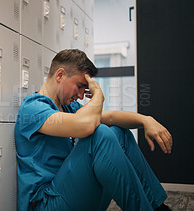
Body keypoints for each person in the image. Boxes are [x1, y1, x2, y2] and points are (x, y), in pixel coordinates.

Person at [14, 49, 173, 211]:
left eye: (86, 88)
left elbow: (110, 117)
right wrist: (98, 95)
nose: (82, 95)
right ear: (60, 75)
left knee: (119, 133)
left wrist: (146, 120)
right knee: (100, 133)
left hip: (69, 191)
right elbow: (87, 126)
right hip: (47, 203)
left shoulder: (68, 108)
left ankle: (159, 207)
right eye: (80, 86)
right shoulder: (33, 108)